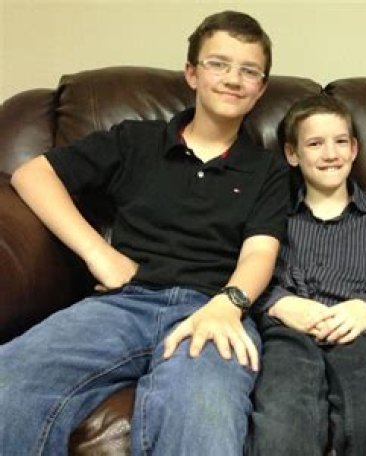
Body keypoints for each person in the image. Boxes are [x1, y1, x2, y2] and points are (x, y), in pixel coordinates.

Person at [0, 11, 288, 454]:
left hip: (211, 310)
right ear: (192, 73)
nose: (233, 79)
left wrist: (229, 303)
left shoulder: (267, 169)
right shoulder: (136, 140)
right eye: (218, 64)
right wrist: (98, 252)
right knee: (11, 384)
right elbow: (31, 174)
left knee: (202, 414)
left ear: (261, 88)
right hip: (123, 303)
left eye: (249, 71)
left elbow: (259, 253)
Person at [248, 94, 366, 455]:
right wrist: (279, 303)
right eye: (315, 143)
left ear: (355, 148)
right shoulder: (273, 211)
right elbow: (245, 275)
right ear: (292, 153)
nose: (330, 154)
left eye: (340, 141)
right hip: (288, 333)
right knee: (282, 427)